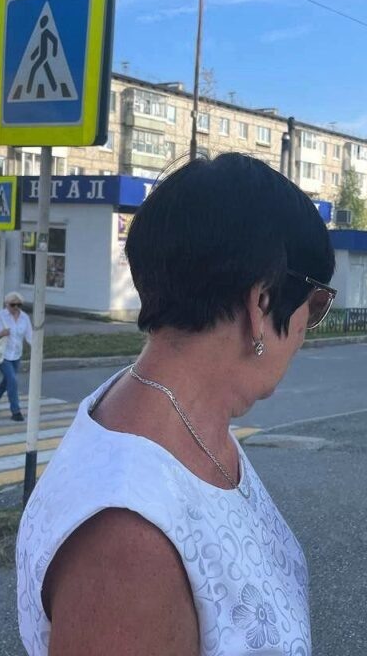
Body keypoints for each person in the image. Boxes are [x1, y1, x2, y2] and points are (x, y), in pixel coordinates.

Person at [17, 153, 336, 655]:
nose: (304, 334)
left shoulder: (188, 421)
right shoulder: (128, 539)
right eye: (314, 306)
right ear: (261, 303)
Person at [0, 291, 32, 421]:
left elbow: (30, 336)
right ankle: (16, 411)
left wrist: (37, 349)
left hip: (16, 355)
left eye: (19, 305)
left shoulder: (24, 317)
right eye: (13, 305)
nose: (16, 308)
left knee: (8, 380)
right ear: (7, 304)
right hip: (1, 355)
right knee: (13, 381)